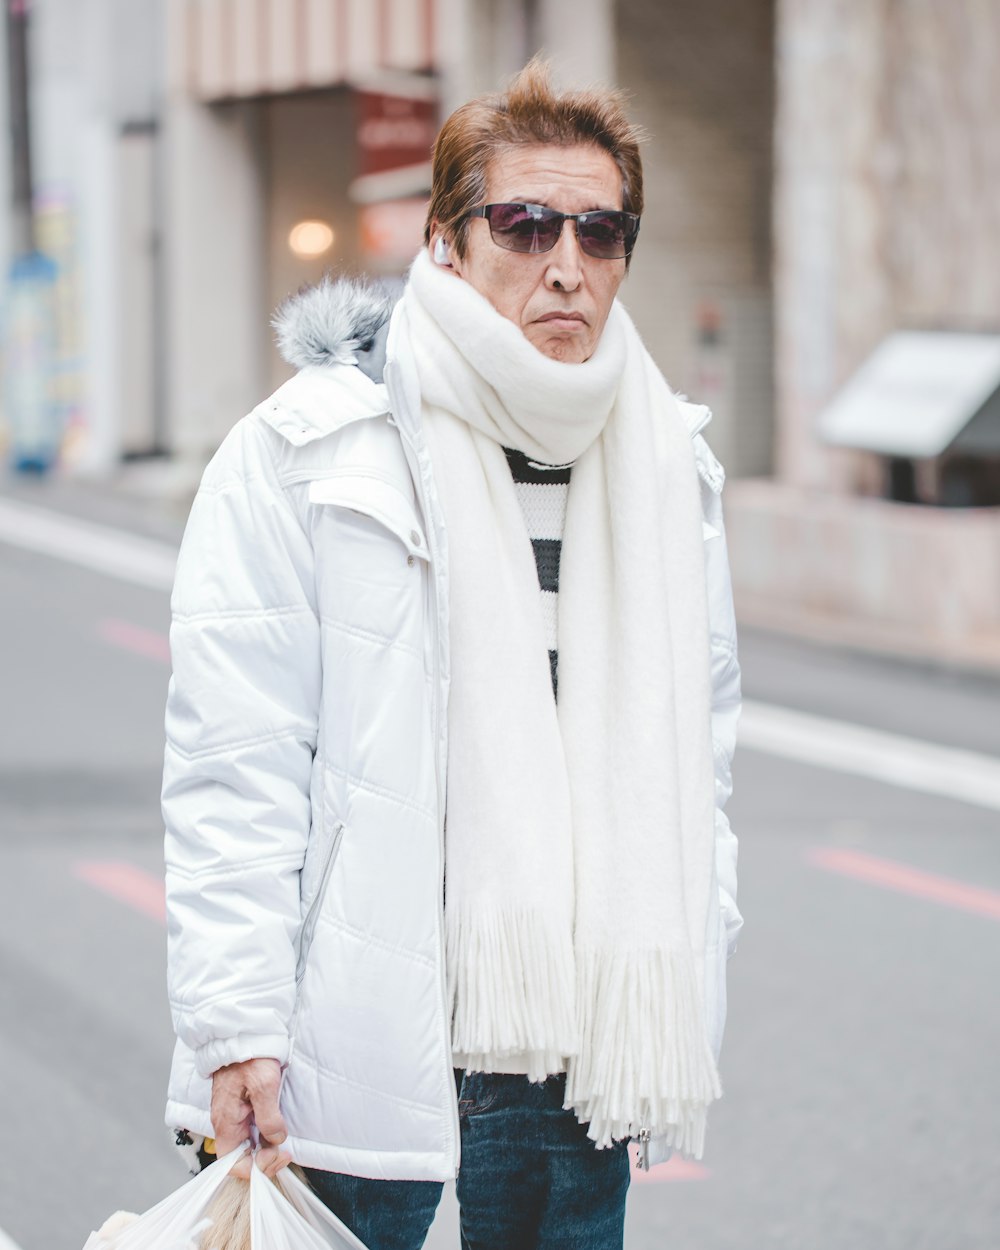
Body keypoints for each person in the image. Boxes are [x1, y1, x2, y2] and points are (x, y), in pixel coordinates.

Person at [162, 58, 742, 1250]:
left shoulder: (662, 467)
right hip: (358, 1056)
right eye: (524, 224)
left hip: (573, 1061)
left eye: (600, 229)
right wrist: (237, 1026)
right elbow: (238, 765)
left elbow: (703, 768)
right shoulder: (311, 455)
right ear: (447, 239)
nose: (565, 263)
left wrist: (685, 965)